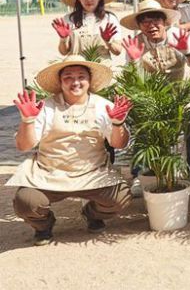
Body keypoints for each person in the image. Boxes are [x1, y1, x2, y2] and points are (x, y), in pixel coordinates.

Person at [7, 57, 132, 245]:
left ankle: (92, 214)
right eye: (68, 77)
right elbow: (24, 146)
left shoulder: (102, 106)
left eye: (81, 76)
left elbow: (119, 144)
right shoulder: (46, 107)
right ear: (60, 82)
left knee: (120, 196)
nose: (75, 82)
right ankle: (43, 226)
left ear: (89, 81)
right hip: (49, 174)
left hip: (92, 174)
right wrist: (27, 120)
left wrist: (117, 123)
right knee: (25, 201)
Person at [119, 0, 190, 195]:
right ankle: (138, 174)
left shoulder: (180, 36)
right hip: (153, 97)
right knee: (140, 123)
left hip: (184, 94)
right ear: (139, 26)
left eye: (156, 21)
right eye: (145, 22)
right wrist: (133, 62)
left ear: (165, 22)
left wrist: (188, 51)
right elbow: (132, 81)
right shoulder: (136, 43)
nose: (151, 26)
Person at [51, 0, 122, 60]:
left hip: (102, 68)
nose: (89, 0)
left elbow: (118, 51)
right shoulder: (69, 19)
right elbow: (63, 52)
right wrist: (63, 39)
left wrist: (108, 42)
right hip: (77, 68)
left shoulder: (110, 19)